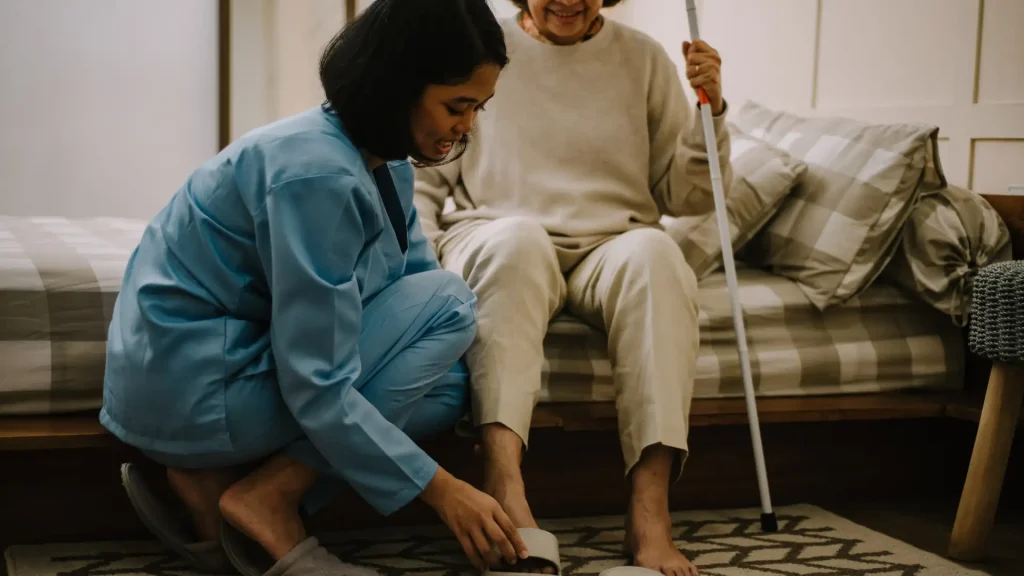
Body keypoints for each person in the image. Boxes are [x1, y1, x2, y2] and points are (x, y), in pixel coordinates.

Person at [99, 1, 530, 574]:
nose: (468, 125)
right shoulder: (317, 172)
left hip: (223, 372)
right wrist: (444, 489)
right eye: (458, 105)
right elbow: (317, 382)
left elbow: (409, 285)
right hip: (193, 387)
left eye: (479, 107)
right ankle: (262, 498)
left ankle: (255, 489)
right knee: (452, 303)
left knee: (447, 386)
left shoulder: (386, 162)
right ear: (397, 85)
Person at [414, 1, 731, 575]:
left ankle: (650, 512)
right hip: (498, 229)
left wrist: (711, 111)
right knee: (518, 244)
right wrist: (422, 261)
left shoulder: (644, 58)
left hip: (611, 241)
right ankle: (506, 487)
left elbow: (687, 197)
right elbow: (426, 173)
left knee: (659, 255)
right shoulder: (484, 50)